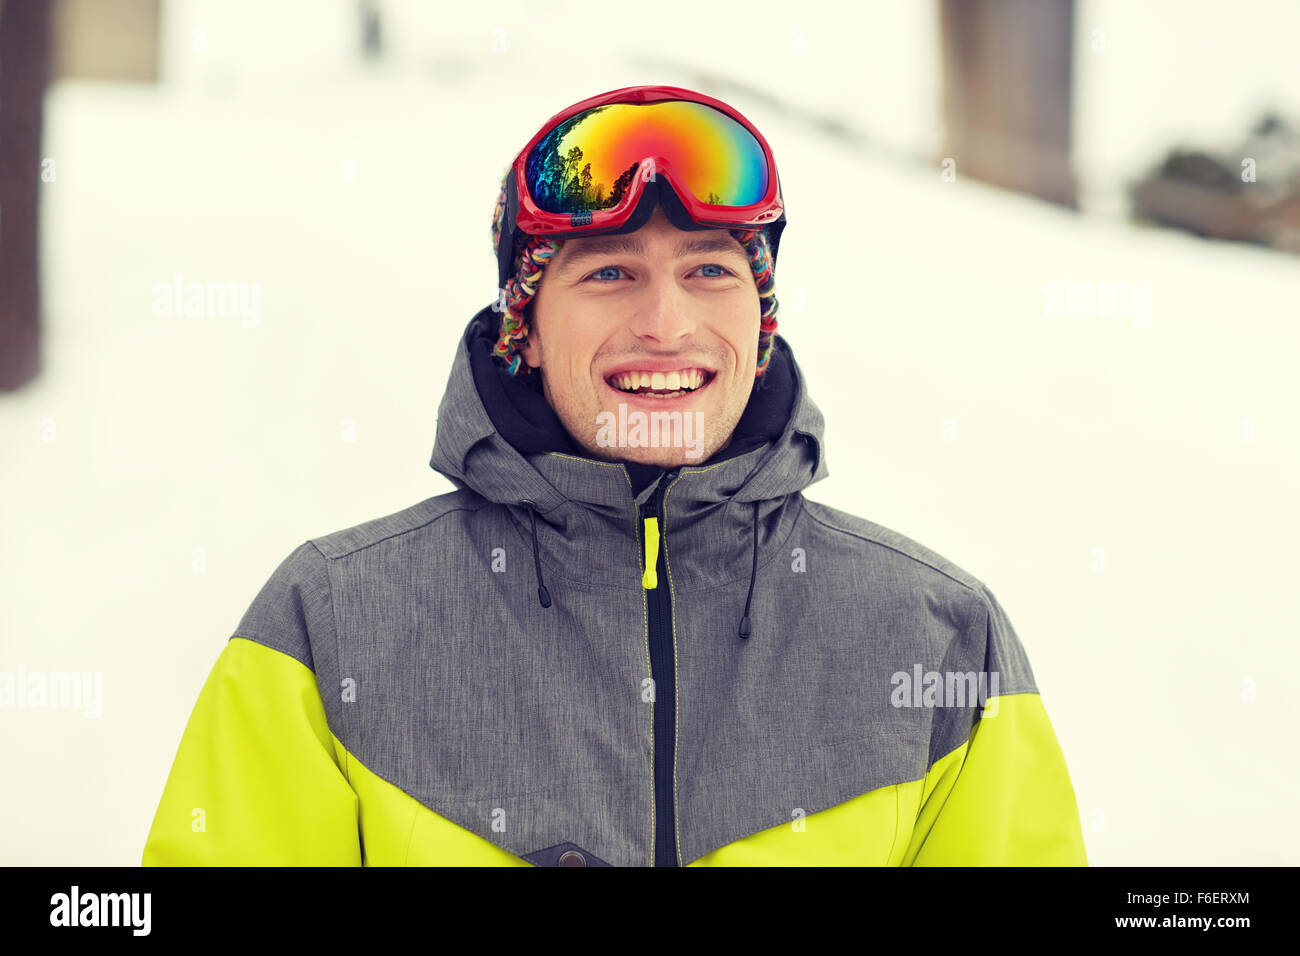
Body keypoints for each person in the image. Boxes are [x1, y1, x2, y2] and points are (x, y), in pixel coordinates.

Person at [142, 85, 1087, 866]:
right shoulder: (333, 624)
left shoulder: (939, 640)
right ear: (527, 326)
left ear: (761, 322)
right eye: (607, 275)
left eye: (711, 272)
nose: (667, 325)